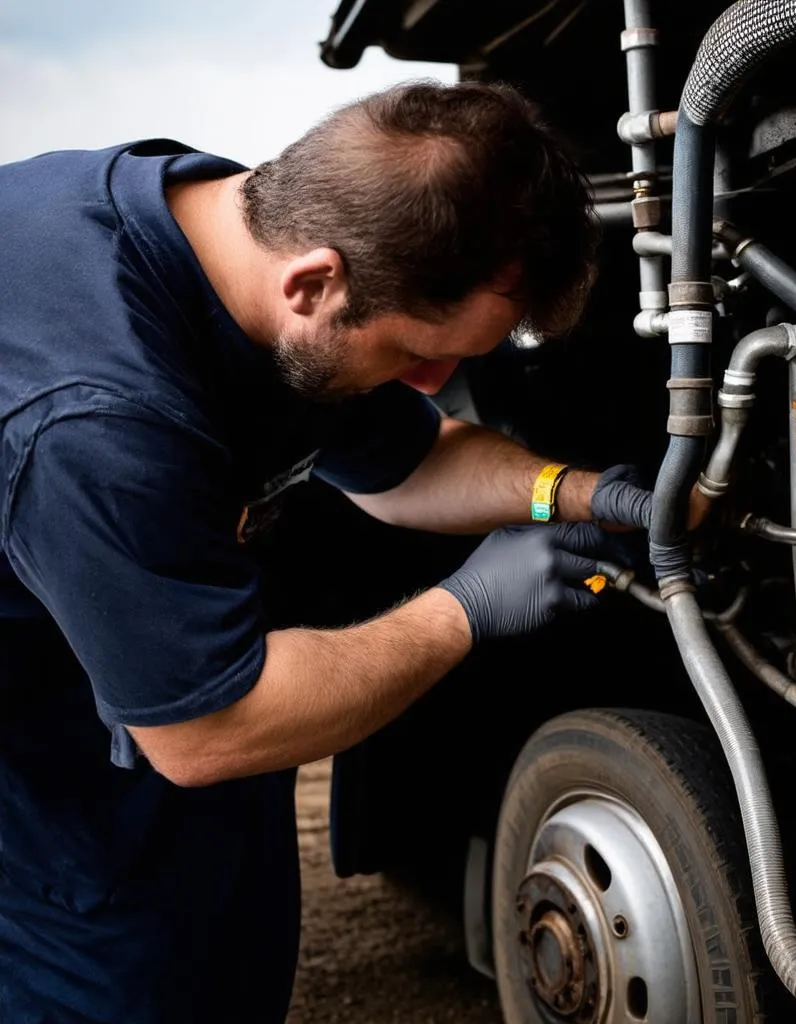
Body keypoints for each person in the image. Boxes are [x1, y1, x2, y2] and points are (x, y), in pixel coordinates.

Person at [0, 80, 653, 1022]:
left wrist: (572, 492)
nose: (437, 385)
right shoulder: (96, 423)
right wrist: (465, 611)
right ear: (314, 282)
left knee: (231, 930)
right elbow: (206, 731)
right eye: (419, 356)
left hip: (139, 626)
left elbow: (411, 458)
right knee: (130, 976)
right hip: (41, 761)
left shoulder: (238, 236)